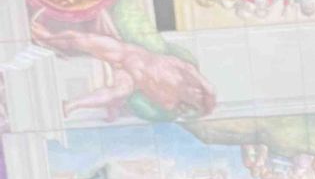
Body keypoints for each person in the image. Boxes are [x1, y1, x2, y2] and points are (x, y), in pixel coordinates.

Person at [30, 17, 215, 121]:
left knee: (118, 92)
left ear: (192, 106)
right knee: (82, 41)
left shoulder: (169, 102)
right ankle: (47, 36)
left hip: (128, 78)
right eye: (201, 92)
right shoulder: (183, 72)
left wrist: (115, 106)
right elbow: (205, 85)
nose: (197, 93)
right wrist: (208, 94)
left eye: (198, 100)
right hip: (126, 54)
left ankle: (70, 106)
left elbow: (139, 103)